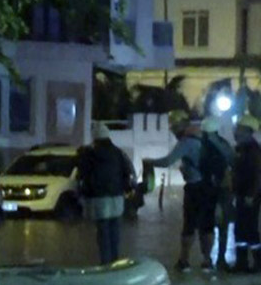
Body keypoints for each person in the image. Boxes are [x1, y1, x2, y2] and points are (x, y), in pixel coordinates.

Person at [144, 110, 232, 272]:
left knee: (189, 225)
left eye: (173, 127)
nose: (172, 130)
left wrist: (150, 162)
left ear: (179, 126)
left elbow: (167, 161)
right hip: (210, 186)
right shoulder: (204, 138)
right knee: (207, 225)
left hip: (194, 188)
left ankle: (184, 261)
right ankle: (207, 260)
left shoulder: (186, 141)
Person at [78, 122, 134, 264]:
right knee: (115, 231)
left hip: (99, 198)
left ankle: (106, 263)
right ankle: (114, 261)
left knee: (103, 233)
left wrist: (83, 192)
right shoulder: (118, 153)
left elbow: (83, 174)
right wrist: (126, 189)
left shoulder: (90, 154)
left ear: (95, 137)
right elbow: (127, 172)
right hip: (117, 197)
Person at [230, 114, 261, 273]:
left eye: (239, 129)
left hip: (249, 196)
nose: (236, 131)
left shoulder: (252, 151)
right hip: (242, 194)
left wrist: (250, 195)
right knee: (240, 229)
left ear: (247, 131)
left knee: (250, 229)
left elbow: (256, 175)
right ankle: (241, 262)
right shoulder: (242, 149)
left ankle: (260, 263)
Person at [203, 118, 237, 271]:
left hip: (209, 189)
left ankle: (207, 258)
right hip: (224, 189)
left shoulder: (203, 145)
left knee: (207, 225)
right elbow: (233, 162)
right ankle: (221, 258)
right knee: (223, 225)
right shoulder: (224, 144)